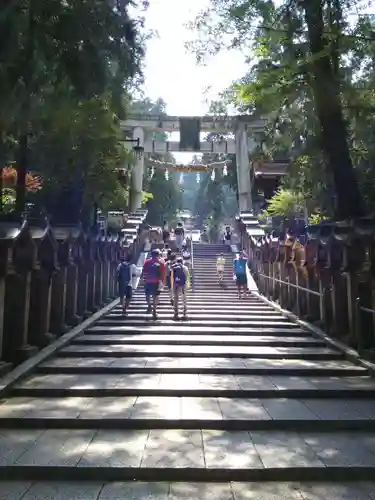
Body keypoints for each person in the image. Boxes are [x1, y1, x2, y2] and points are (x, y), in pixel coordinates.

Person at [143, 248, 166, 318]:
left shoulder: (147, 262)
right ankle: (154, 311)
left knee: (147, 295)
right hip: (156, 282)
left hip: (148, 281)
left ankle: (149, 305)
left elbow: (144, 272)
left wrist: (144, 279)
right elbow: (163, 274)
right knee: (155, 296)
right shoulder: (161, 263)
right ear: (158, 255)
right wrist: (162, 282)